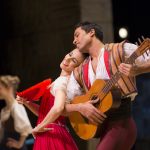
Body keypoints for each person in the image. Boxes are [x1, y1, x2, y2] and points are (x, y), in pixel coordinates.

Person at [64, 21, 150, 150]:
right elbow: (65, 105)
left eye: (77, 35)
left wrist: (137, 69)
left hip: (121, 124)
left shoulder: (120, 49)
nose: (74, 41)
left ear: (91, 32)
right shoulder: (79, 71)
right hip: (103, 128)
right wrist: (81, 107)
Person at [16, 48, 86, 150]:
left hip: (50, 133)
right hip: (54, 131)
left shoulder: (61, 82)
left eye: (74, 61)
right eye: (70, 54)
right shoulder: (64, 81)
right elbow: (44, 113)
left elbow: (58, 108)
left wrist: (39, 127)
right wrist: (27, 102)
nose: (67, 59)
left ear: (78, 68)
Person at [0, 75, 32, 150]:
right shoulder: (4, 110)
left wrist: (19, 144)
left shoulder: (16, 107)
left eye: (0, 88)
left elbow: (25, 127)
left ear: (9, 88)